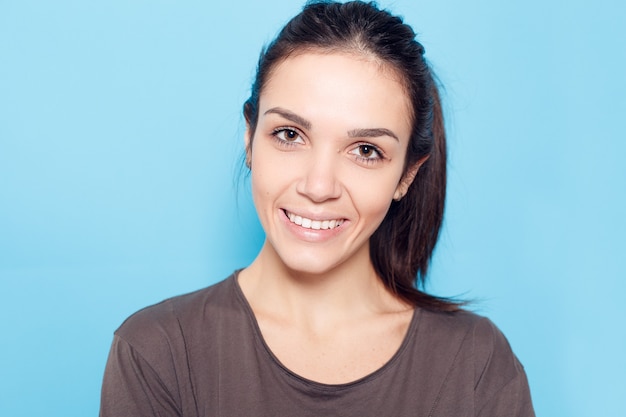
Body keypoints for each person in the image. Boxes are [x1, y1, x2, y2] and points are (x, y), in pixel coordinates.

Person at [100, 1, 535, 416]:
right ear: (250, 139)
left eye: (365, 150)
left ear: (407, 175)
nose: (318, 186)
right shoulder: (158, 352)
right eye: (290, 135)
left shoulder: (477, 366)